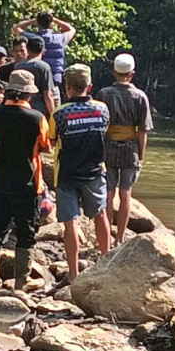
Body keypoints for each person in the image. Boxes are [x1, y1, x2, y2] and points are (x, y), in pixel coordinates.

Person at [0, 70, 50, 292]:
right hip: (28, 181)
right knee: (26, 231)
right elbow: (46, 146)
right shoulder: (37, 118)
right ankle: (21, 282)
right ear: (28, 95)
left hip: (1, 179)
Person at [49, 64, 111, 286]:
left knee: (70, 223)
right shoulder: (102, 109)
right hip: (94, 171)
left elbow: (52, 141)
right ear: (89, 86)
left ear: (67, 89)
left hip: (66, 175)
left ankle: (74, 273)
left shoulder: (59, 113)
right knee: (100, 214)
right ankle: (106, 263)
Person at [95, 53, 153, 246]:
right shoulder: (140, 96)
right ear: (132, 74)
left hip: (108, 145)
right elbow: (143, 131)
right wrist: (141, 155)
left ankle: (107, 236)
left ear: (114, 72)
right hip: (131, 148)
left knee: (109, 193)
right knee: (126, 193)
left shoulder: (103, 94)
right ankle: (120, 237)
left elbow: (99, 126)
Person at [12, 11, 76, 90]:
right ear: (51, 24)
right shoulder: (59, 39)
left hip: (35, 79)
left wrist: (33, 20)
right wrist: (55, 20)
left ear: (38, 24)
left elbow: (16, 28)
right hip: (54, 79)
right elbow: (72, 30)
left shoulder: (32, 39)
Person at [15, 36, 57, 118]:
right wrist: (53, 116)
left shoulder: (18, 66)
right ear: (43, 51)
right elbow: (48, 94)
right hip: (40, 112)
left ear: (28, 50)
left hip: (21, 109)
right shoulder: (44, 67)